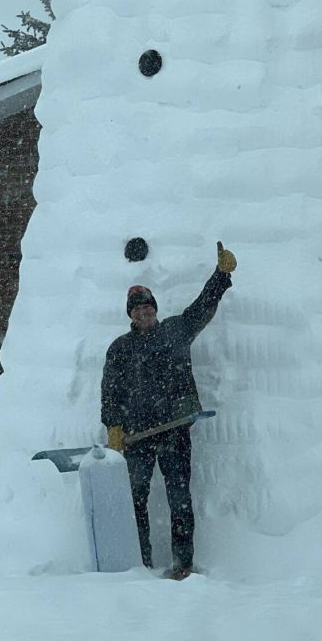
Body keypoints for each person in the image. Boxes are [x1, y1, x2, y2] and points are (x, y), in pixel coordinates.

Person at [101, 242, 237, 579]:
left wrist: (221, 275)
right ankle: (141, 563)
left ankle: (183, 565)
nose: (144, 313)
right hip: (136, 439)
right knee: (135, 502)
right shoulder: (119, 349)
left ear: (155, 310)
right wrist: (113, 427)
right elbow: (110, 392)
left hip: (175, 431)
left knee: (180, 501)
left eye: (148, 308)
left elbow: (203, 307)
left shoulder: (175, 331)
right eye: (138, 310)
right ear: (130, 315)